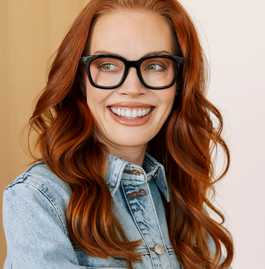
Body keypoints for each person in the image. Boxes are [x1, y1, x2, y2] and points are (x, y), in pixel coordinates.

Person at [2, 0, 234, 268]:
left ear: (180, 82)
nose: (132, 88)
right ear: (80, 79)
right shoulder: (38, 199)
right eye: (108, 65)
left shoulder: (183, 201)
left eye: (155, 65)